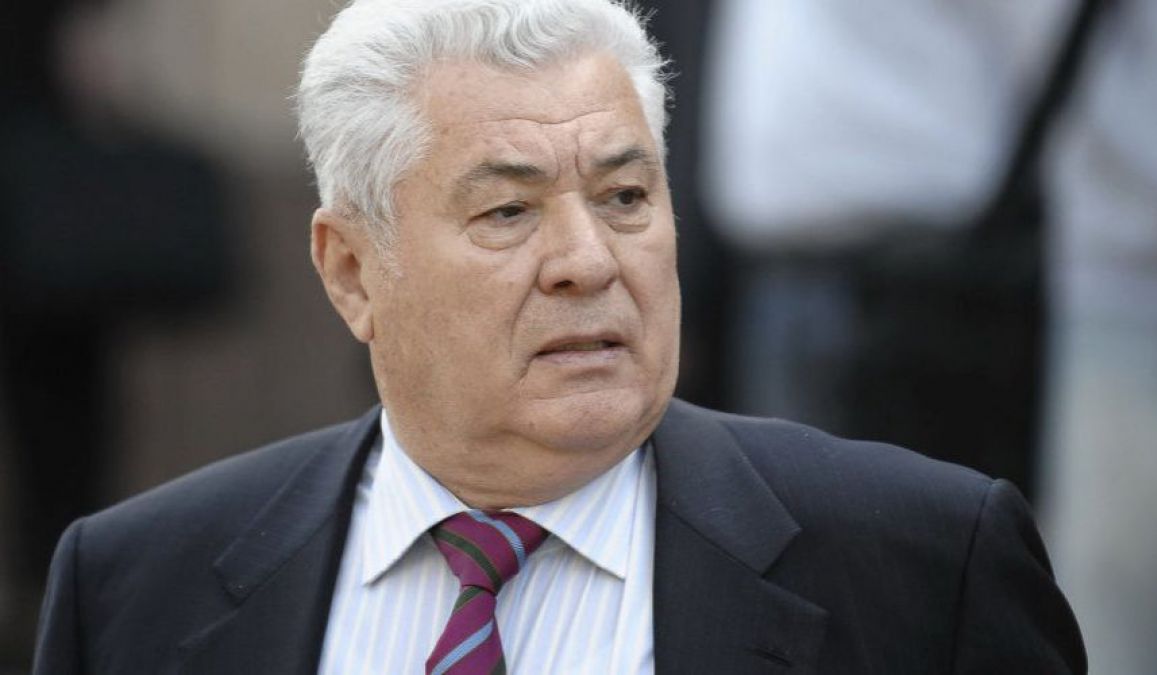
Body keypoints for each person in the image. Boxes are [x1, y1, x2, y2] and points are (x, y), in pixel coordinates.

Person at [32, 1, 1085, 673]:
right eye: (508, 211)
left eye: (626, 196)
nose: (588, 260)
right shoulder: (133, 586)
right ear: (351, 270)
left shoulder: (922, 566)